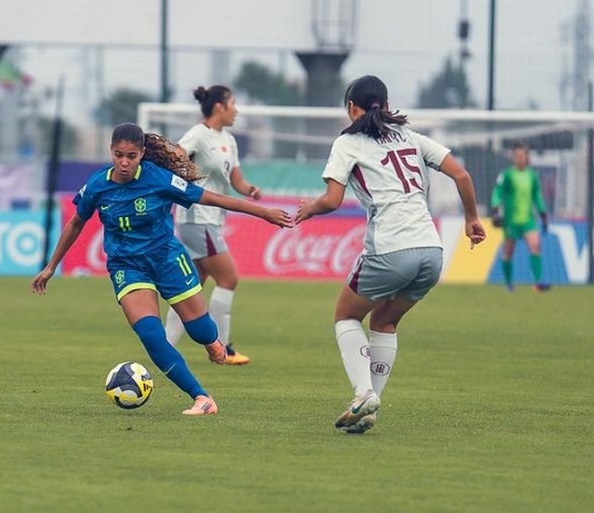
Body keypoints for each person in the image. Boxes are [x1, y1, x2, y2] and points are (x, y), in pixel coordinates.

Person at [32, 123, 292, 415]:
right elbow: (76, 222)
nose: (125, 162)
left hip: (166, 258)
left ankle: (212, 341)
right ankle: (202, 398)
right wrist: (51, 266)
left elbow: (212, 198)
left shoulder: (159, 179)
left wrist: (265, 212)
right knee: (152, 336)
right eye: (119, 155)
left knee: (200, 329)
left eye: (131, 155)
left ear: (142, 153)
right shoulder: (96, 185)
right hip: (127, 266)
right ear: (111, 152)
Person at [294, 75, 485, 433]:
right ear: (385, 103)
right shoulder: (411, 137)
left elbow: (333, 200)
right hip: (431, 252)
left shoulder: (348, 142)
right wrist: (472, 219)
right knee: (384, 322)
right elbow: (462, 176)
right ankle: (369, 409)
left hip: (390, 249)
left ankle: (363, 393)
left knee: (345, 317)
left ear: (352, 108)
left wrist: (310, 208)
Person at [164, 85, 260, 365]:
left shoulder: (229, 140)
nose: (237, 110)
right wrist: (184, 176)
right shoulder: (198, 134)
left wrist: (249, 190)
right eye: (233, 103)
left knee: (190, 286)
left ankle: (166, 344)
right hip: (196, 217)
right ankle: (223, 348)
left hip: (212, 220)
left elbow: (236, 181)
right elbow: (174, 156)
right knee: (229, 278)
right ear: (220, 106)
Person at [489, 141, 549, 291]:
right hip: (511, 221)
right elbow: (497, 193)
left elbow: (537, 196)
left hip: (528, 220)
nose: (519, 158)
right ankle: (508, 284)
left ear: (526, 157)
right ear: (513, 157)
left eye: (522, 155)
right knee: (508, 252)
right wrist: (495, 209)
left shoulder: (532, 176)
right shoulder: (506, 175)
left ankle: (537, 284)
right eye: (516, 155)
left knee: (535, 246)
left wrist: (543, 214)